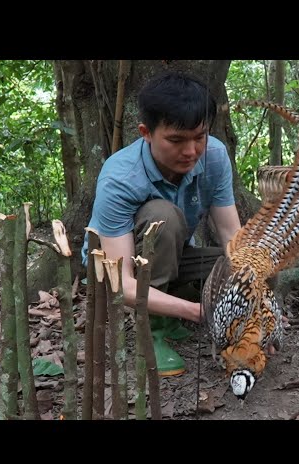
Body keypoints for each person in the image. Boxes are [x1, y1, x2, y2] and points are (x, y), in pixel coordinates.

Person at [81, 71, 241, 376]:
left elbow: (232, 235)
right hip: (116, 269)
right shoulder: (119, 178)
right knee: (162, 216)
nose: (191, 151)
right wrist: (201, 313)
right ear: (146, 132)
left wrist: (254, 297)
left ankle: (178, 304)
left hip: (177, 256)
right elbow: (121, 282)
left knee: (250, 261)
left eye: (199, 137)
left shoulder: (216, 157)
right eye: (176, 140)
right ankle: (151, 331)